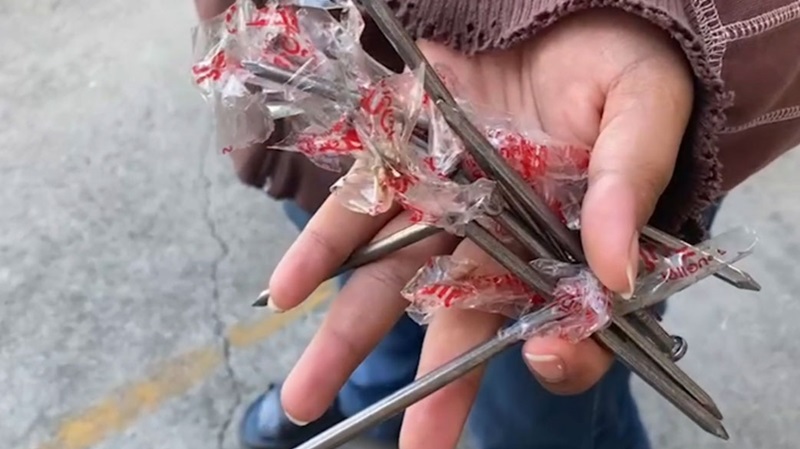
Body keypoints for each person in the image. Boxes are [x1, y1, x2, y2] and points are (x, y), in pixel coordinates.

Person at [193, 1, 800, 448]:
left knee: (537, 411)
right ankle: (369, 398)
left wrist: (653, 15)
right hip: (333, 129)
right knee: (375, 293)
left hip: (584, 115)